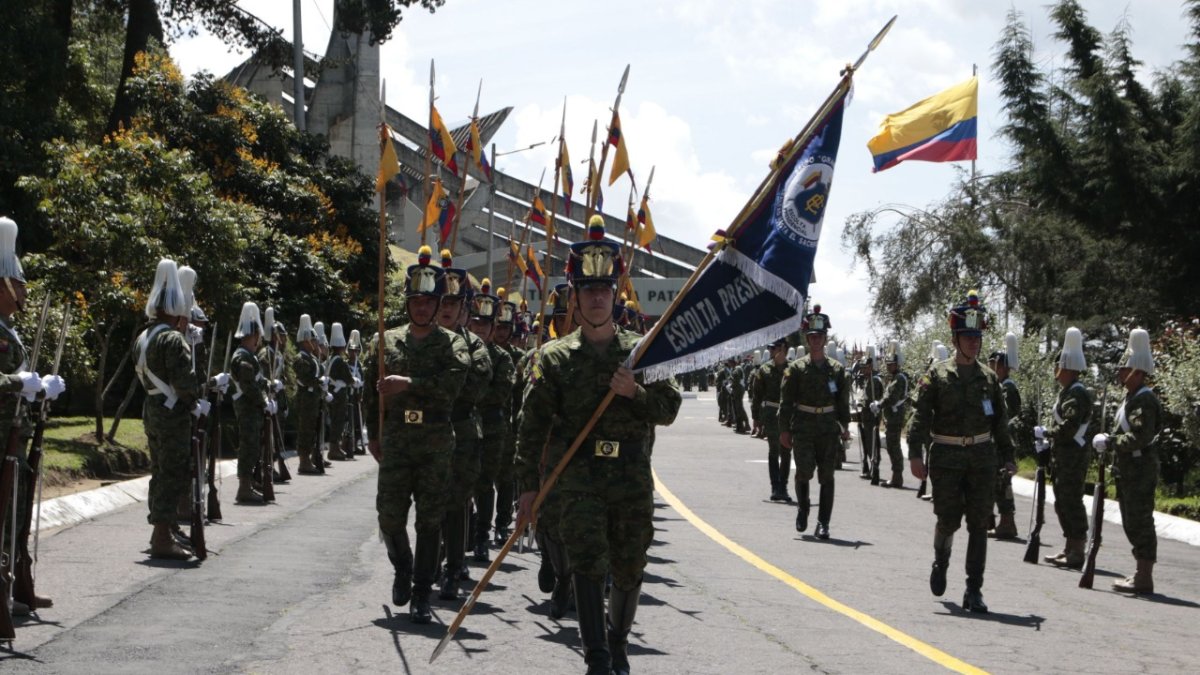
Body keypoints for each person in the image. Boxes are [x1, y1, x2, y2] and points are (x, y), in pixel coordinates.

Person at [516, 218, 681, 675]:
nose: (596, 297)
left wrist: (636, 393)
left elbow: (669, 408)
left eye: (604, 289)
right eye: (587, 289)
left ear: (615, 293)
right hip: (579, 478)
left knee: (628, 568)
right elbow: (531, 428)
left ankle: (618, 641)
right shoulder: (553, 358)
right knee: (588, 561)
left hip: (629, 478)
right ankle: (596, 657)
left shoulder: (643, 352)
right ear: (574, 294)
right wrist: (528, 488)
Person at [362, 246, 469, 622]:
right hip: (395, 442)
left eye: (428, 302)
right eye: (415, 301)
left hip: (434, 445)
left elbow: (451, 386)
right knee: (389, 517)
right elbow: (368, 389)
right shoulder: (385, 341)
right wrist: (371, 434)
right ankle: (403, 567)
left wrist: (408, 383)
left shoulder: (452, 343)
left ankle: (423, 591)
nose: (422, 308)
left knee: (429, 520)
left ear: (439, 303)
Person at [907, 291, 1015, 614]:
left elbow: (1001, 422)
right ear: (955, 338)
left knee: (980, 523)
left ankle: (973, 589)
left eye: (977, 336)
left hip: (982, 459)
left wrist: (1008, 456)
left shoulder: (989, 379)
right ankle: (941, 560)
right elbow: (919, 417)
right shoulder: (937, 376)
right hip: (947, 460)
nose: (973, 343)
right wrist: (915, 454)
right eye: (967, 336)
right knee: (948, 520)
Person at [0, 216, 64, 612]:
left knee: (13, 513)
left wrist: (38, 390)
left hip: (12, 433)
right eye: (18, 283)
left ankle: (9, 584)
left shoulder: (7, 329)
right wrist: (17, 383)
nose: (24, 290)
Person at [133, 259, 208, 560]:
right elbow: (185, 382)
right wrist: (195, 401)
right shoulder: (172, 339)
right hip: (172, 413)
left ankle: (165, 527)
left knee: (158, 471)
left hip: (151, 408)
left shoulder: (144, 336)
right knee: (172, 473)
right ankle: (162, 534)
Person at [435, 251, 492, 601]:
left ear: (463, 308)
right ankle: (429, 563)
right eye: (440, 300)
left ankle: (453, 566)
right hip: (424, 434)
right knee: (429, 505)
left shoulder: (475, 348)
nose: (446, 308)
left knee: (455, 504)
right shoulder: (420, 339)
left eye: (453, 302)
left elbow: (475, 385)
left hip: (462, 435)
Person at [1092, 328, 1161, 594]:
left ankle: (1144, 575)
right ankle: (1140, 572)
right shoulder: (1132, 398)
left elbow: (1140, 436)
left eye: (1125, 369)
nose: (1121, 374)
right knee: (1130, 518)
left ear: (1138, 371)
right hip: (1130, 467)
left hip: (1140, 466)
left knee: (1139, 519)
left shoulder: (1143, 400)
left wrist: (1112, 442)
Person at [778, 307, 850, 540]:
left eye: (819, 336)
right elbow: (786, 401)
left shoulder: (837, 370)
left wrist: (845, 427)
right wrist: (784, 430)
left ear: (825, 338)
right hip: (804, 427)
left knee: (827, 476)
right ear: (807, 340)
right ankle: (803, 507)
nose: (816, 340)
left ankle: (823, 523)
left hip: (828, 428)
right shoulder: (796, 369)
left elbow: (842, 401)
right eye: (812, 336)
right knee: (803, 473)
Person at [1036, 327, 1092, 568]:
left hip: (1073, 456)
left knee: (1071, 500)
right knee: (1062, 501)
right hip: (1064, 456)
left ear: (1067, 367)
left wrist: (1048, 433)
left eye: (1058, 366)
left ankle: (1077, 549)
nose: (1056, 372)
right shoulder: (1068, 392)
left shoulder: (1077, 394)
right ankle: (1069, 546)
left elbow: (1069, 426)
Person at [469, 281, 515, 563]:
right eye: (476, 324)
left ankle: (482, 536)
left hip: (491, 429)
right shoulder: (460, 351)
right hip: (462, 426)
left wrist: (470, 394)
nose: (481, 329)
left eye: (486, 325)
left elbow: (499, 393)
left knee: (485, 484)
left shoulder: (502, 359)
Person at [229, 302, 270, 504]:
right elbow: (250, 387)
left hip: (251, 409)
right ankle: (244, 487)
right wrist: (264, 402)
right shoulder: (242, 357)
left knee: (253, 446)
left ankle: (249, 484)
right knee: (248, 446)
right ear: (253, 335)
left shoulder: (248, 356)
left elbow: (258, 381)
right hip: (247, 408)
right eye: (257, 336)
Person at [986, 332, 1022, 539]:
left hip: (1004, 440)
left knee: (1003, 481)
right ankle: (999, 520)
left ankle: (1008, 522)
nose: (992, 368)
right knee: (996, 481)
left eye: (994, 364)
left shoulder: (1007, 386)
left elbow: (1004, 412)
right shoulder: (998, 386)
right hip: (997, 439)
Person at [751, 338, 792, 501]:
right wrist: (755, 418)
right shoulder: (764, 369)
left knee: (787, 450)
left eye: (774, 348)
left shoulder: (792, 369)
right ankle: (775, 487)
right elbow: (757, 395)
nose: (771, 351)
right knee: (774, 450)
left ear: (783, 348)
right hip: (771, 413)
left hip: (788, 414)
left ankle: (784, 486)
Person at [293, 315, 324, 475]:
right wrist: (319, 382)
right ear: (306, 340)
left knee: (311, 430)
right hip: (306, 399)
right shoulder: (301, 358)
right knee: (305, 430)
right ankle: (303, 461)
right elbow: (305, 379)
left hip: (313, 399)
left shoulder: (311, 358)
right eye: (313, 339)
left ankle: (310, 458)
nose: (315, 343)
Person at [878, 339, 910, 488]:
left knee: (894, 447)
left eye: (891, 364)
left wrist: (879, 405)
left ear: (897, 365)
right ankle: (896, 476)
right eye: (888, 364)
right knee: (891, 446)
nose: (889, 366)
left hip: (895, 417)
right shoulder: (894, 378)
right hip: (892, 417)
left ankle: (897, 477)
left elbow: (891, 398)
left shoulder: (899, 379)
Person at [324, 323, 354, 462]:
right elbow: (348, 378)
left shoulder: (330, 359)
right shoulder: (340, 361)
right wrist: (354, 380)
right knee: (338, 422)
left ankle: (334, 447)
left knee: (334, 420)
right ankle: (334, 448)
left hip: (331, 394)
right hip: (339, 395)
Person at [859, 345, 883, 482]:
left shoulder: (874, 380)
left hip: (871, 417)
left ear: (870, 367)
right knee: (868, 442)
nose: (862, 370)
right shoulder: (869, 380)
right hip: (867, 417)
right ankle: (871, 467)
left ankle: (875, 468)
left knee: (872, 443)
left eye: (865, 367)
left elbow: (876, 398)